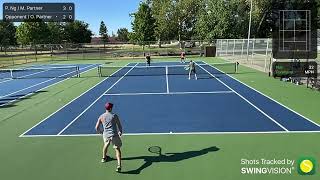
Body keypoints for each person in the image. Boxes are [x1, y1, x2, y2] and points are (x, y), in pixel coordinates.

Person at [95, 102, 123, 172]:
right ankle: (119, 165)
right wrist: (120, 131)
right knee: (117, 149)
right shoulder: (114, 116)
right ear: (110, 108)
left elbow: (96, 127)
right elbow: (119, 125)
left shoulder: (101, 116)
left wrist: (100, 132)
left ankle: (104, 158)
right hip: (114, 135)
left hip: (106, 135)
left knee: (106, 145)